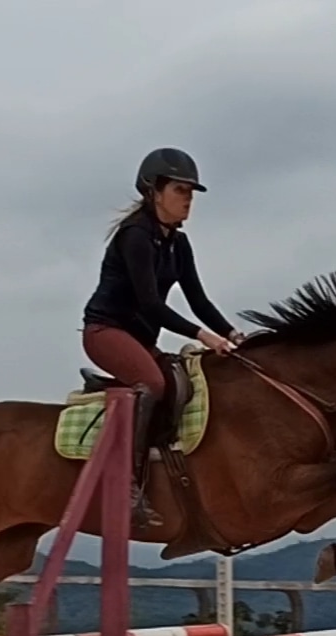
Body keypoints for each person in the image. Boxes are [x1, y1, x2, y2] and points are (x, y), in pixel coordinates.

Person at [81, 147, 244, 527]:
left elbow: (198, 300)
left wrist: (233, 335)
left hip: (137, 339)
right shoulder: (135, 235)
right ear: (154, 190)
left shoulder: (178, 243)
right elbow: (151, 305)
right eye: (180, 190)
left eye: (191, 193)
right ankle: (127, 490)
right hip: (105, 331)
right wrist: (204, 337)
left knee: (179, 385)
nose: (188, 200)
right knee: (153, 383)